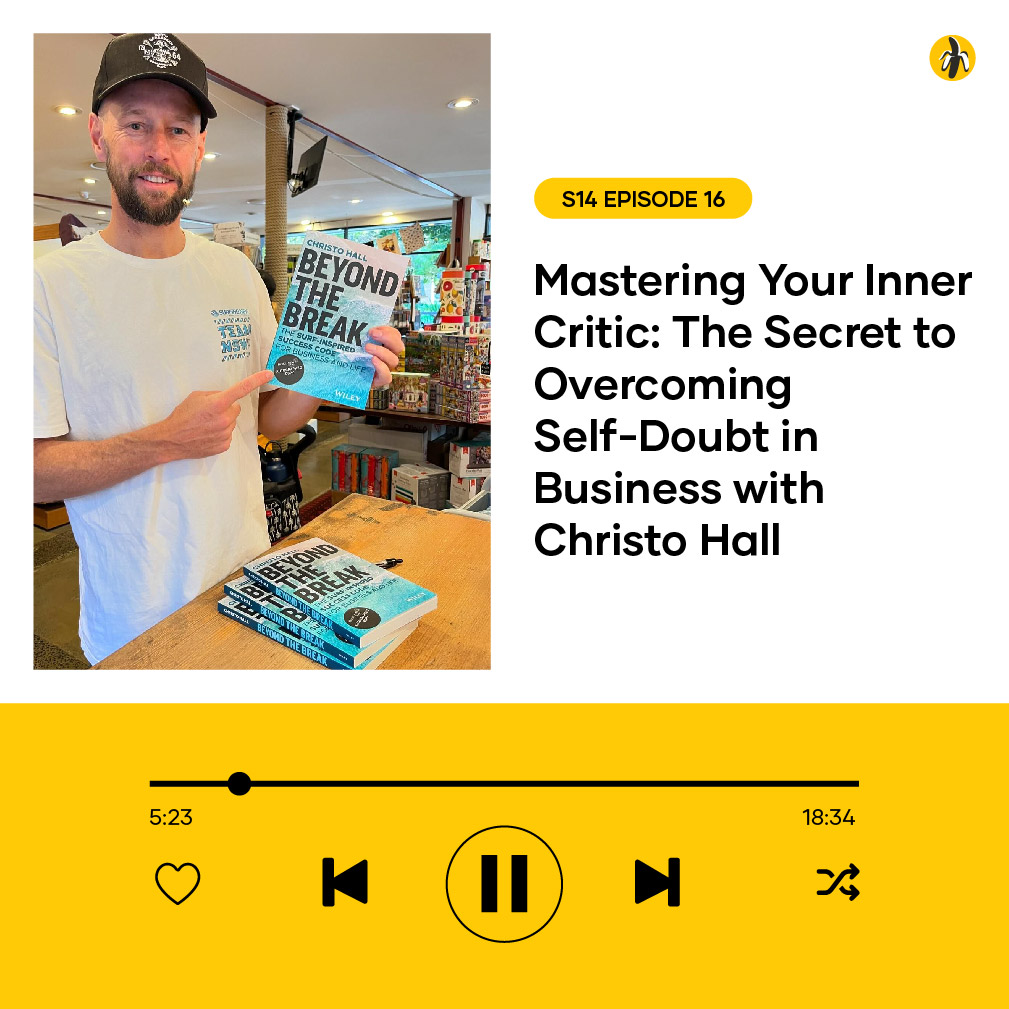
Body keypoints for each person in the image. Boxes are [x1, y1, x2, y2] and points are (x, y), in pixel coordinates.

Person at [33, 33, 404, 664]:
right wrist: (164, 441)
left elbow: (264, 417)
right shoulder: (46, 287)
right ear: (98, 135)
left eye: (179, 129)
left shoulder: (234, 273)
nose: (158, 149)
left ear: (201, 144)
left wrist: (341, 371)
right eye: (136, 125)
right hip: (134, 617)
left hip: (249, 580)